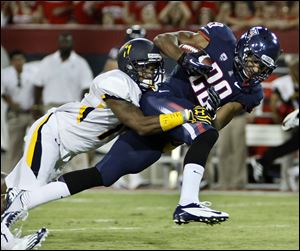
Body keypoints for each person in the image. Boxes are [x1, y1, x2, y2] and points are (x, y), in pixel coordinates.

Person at [2, 24, 281, 247]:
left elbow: (216, 123)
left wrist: (201, 116)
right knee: (203, 132)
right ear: (243, 50)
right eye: (254, 62)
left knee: (105, 174)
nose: (256, 71)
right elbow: (164, 40)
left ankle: (23, 205)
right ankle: (188, 202)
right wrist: (185, 59)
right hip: (164, 104)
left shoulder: (251, 92)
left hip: (177, 122)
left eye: (263, 69)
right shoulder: (218, 38)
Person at [1, 37, 213, 250]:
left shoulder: (140, 89)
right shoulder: (115, 81)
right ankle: (6, 241)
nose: (151, 73)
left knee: (11, 187)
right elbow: (139, 124)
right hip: (51, 134)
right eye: (146, 67)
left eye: (154, 67)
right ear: (130, 67)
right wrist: (186, 115)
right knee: (27, 195)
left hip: (64, 147)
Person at [250, 57, 299, 187]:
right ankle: (268, 161)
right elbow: (275, 102)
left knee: (290, 146)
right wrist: (279, 118)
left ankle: (266, 159)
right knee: (290, 147)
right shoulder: (285, 83)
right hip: (292, 120)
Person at [1, 50, 38, 176]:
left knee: (37, 143)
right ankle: (7, 176)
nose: (19, 62)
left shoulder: (32, 73)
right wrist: (11, 104)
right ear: (11, 61)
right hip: (15, 114)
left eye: (21, 59)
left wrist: (37, 106)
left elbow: (38, 88)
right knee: (14, 147)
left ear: (24, 61)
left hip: (31, 113)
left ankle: (34, 173)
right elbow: (3, 92)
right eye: (16, 59)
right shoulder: (4, 74)